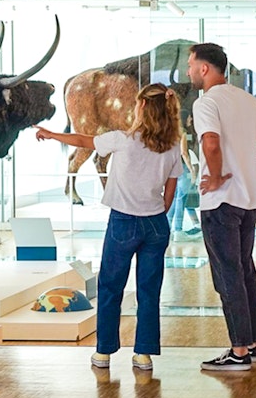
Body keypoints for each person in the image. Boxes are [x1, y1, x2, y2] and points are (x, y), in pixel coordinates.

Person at [35, 84, 183, 372]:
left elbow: (83, 140)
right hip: (155, 223)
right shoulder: (172, 144)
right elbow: (171, 187)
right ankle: (143, 354)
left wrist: (52, 135)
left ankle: (103, 353)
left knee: (110, 287)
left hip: (123, 222)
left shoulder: (123, 140)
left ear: (142, 108)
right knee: (149, 291)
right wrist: (157, 212)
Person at [188, 42, 256, 372]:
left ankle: (239, 352)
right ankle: (253, 345)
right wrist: (255, 173)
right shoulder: (247, 99)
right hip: (248, 202)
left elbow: (210, 143)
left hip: (221, 203)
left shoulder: (206, 103)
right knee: (244, 272)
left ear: (205, 69)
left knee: (228, 277)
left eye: (191, 65)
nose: (188, 71)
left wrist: (214, 178)